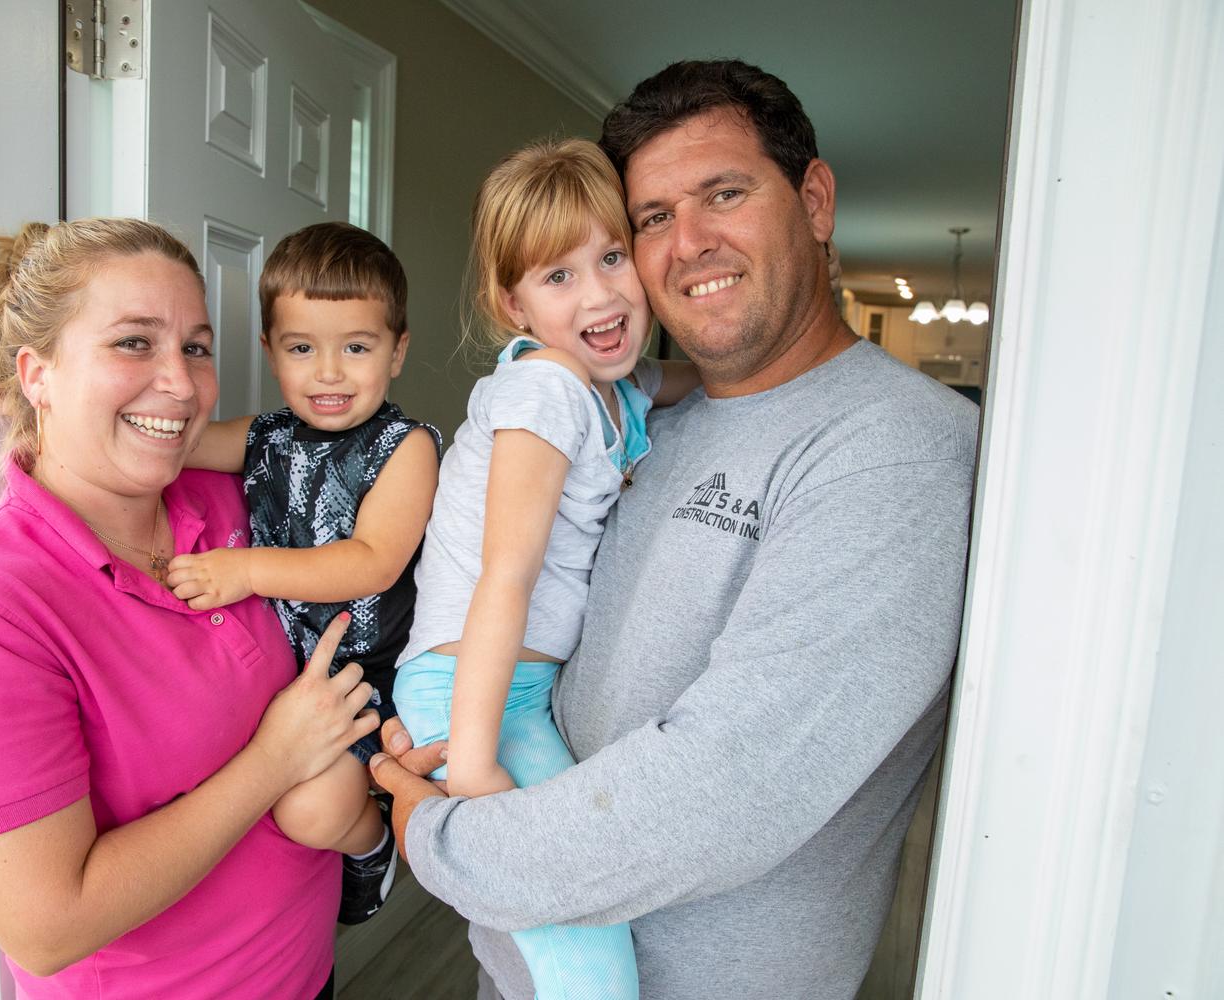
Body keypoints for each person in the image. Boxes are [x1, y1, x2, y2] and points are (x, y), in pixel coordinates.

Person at [371, 59, 979, 1000]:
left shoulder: (894, 445)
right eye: (652, 219)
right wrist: (462, 740)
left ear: (814, 200)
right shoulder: (644, 415)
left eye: (724, 193)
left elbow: (733, 787)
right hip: (528, 955)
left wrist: (440, 834)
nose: (687, 243)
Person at [0, 218, 390, 999]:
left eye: (195, 346)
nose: (182, 385)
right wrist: (274, 761)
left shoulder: (231, 497)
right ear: (36, 373)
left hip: (309, 973)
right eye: (133, 343)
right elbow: (48, 927)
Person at [391, 138, 700, 999]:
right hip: (468, 691)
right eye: (558, 277)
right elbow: (505, 578)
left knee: (584, 926)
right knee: (590, 964)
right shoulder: (546, 391)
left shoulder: (614, 386)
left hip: (513, 687)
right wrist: (478, 757)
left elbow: (691, 377)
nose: (598, 293)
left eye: (610, 258)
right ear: (511, 303)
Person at [167, 221, 440, 924]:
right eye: (300, 348)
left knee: (312, 810)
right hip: (281, 681)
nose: (327, 372)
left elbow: (371, 563)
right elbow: (180, 440)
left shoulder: (402, 449)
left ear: (398, 350)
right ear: (269, 351)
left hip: (365, 679)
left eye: (356, 347)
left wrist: (247, 570)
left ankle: (373, 843)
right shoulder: (266, 436)